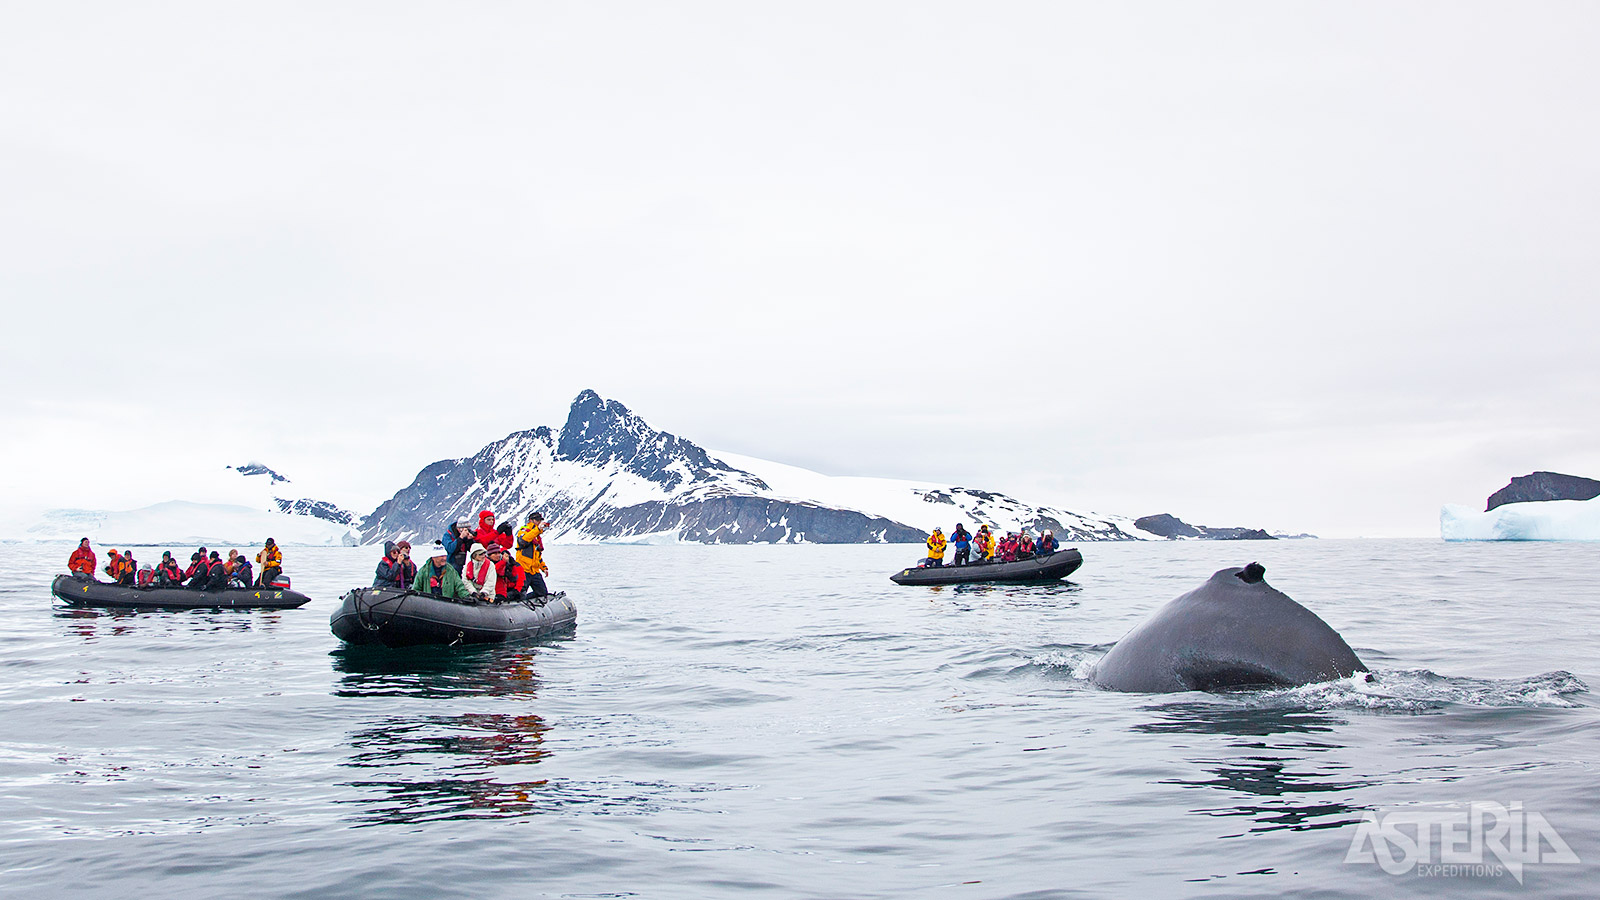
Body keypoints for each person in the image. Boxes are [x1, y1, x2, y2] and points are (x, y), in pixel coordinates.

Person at [515, 512, 550, 597]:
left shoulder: (537, 536)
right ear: (531, 520)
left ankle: (529, 601)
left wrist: (543, 567)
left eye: (540, 520)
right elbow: (523, 540)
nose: (539, 522)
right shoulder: (524, 530)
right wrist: (537, 529)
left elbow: (538, 556)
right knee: (520, 594)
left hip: (534, 571)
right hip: (524, 569)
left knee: (542, 593)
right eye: (537, 520)